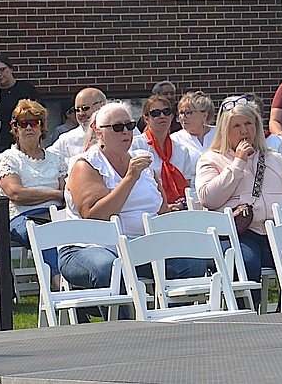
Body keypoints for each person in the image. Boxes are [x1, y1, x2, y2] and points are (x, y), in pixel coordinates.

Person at [61, 102, 188, 295]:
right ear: (99, 133)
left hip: (140, 247)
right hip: (89, 247)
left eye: (129, 126)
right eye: (117, 127)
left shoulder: (142, 159)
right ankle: (123, 323)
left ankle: (173, 322)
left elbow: (161, 211)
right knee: (110, 268)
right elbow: (95, 217)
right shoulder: (86, 165)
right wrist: (129, 179)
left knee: (189, 262)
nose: (126, 132)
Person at [195, 96, 282, 289]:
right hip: (239, 234)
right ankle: (249, 314)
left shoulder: (274, 158)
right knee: (245, 264)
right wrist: (237, 164)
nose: (244, 131)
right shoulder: (211, 159)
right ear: (224, 130)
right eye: (236, 126)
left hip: (277, 231)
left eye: (248, 124)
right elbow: (207, 198)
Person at [0, 98, 67, 282]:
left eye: (34, 122)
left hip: (57, 214)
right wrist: (55, 194)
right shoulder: (8, 158)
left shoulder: (56, 158)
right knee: (44, 233)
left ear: (42, 127)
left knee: (77, 230)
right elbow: (16, 194)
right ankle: (58, 282)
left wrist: (60, 198)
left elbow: (68, 194)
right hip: (22, 217)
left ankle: (80, 282)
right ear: (15, 128)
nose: (28, 128)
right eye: (23, 123)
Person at [132, 94, 194, 206]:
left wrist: (181, 205)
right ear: (146, 119)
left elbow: (186, 187)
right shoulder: (136, 146)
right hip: (150, 207)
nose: (162, 116)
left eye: (166, 112)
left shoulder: (182, 150)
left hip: (178, 209)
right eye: (155, 113)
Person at [0, 56, 40, 159]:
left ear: (11, 69)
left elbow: (40, 115)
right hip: (2, 144)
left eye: (2, 70)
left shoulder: (26, 89)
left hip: (27, 140)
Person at [47, 87, 107, 161]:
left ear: (102, 106)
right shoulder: (66, 140)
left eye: (85, 108)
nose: (81, 114)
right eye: (77, 110)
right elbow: (48, 160)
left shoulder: (117, 134)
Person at [171, 91, 216, 157]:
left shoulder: (219, 134)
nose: (182, 117)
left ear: (204, 115)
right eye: (181, 113)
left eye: (188, 113)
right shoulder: (174, 139)